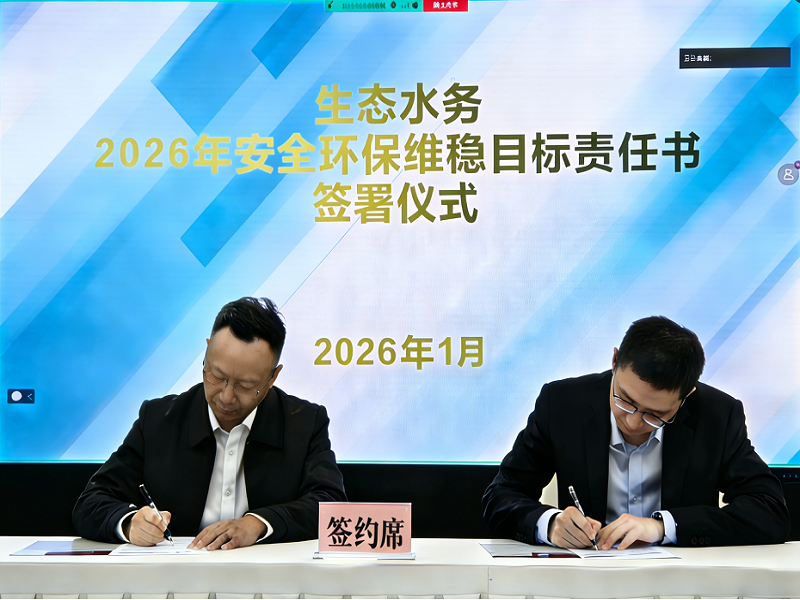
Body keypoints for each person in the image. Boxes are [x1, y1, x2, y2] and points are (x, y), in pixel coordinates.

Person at [482, 316, 790, 549]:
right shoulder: (563, 403)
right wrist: (549, 524)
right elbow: (500, 495)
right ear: (615, 361)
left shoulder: (716, 416)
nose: (632, 422)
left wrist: (662, 527)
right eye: (624, 400)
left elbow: (769, 510)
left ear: (686, 397)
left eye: (655, 415)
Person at [73, 297, 346, 550]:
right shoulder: (159, 419)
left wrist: (258, 524)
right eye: (216, 375)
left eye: (245, 385)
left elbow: (331, 505)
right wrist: (130, 523)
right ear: (206, 352)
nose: (226, 397)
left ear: (273, 378)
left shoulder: (304, 423)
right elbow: (91, 503)